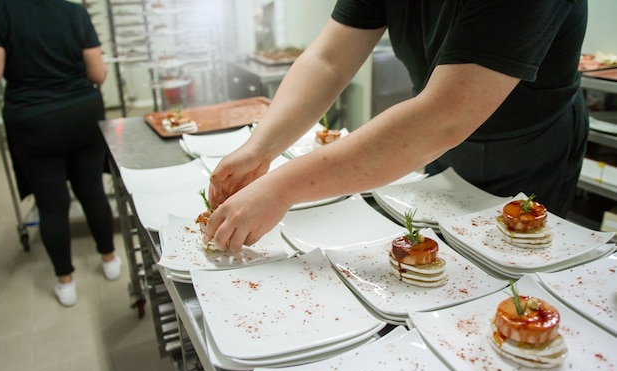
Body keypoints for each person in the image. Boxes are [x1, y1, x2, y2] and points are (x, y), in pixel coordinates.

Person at [203, 0, 589, 253]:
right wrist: (261, 146)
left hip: (530, 146)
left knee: (514, 267)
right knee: (446, 252)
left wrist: (282, 188)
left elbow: (443, 118)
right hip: (445, 144)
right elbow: (328, 61)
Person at [0, 0, 121, 307]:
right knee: (91, 191)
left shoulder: (0, 11)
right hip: (80, 115)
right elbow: (99, 74)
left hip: (32, 122)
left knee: (51, 204)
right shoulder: (74, 12)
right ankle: (109, 259)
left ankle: (65, 282)